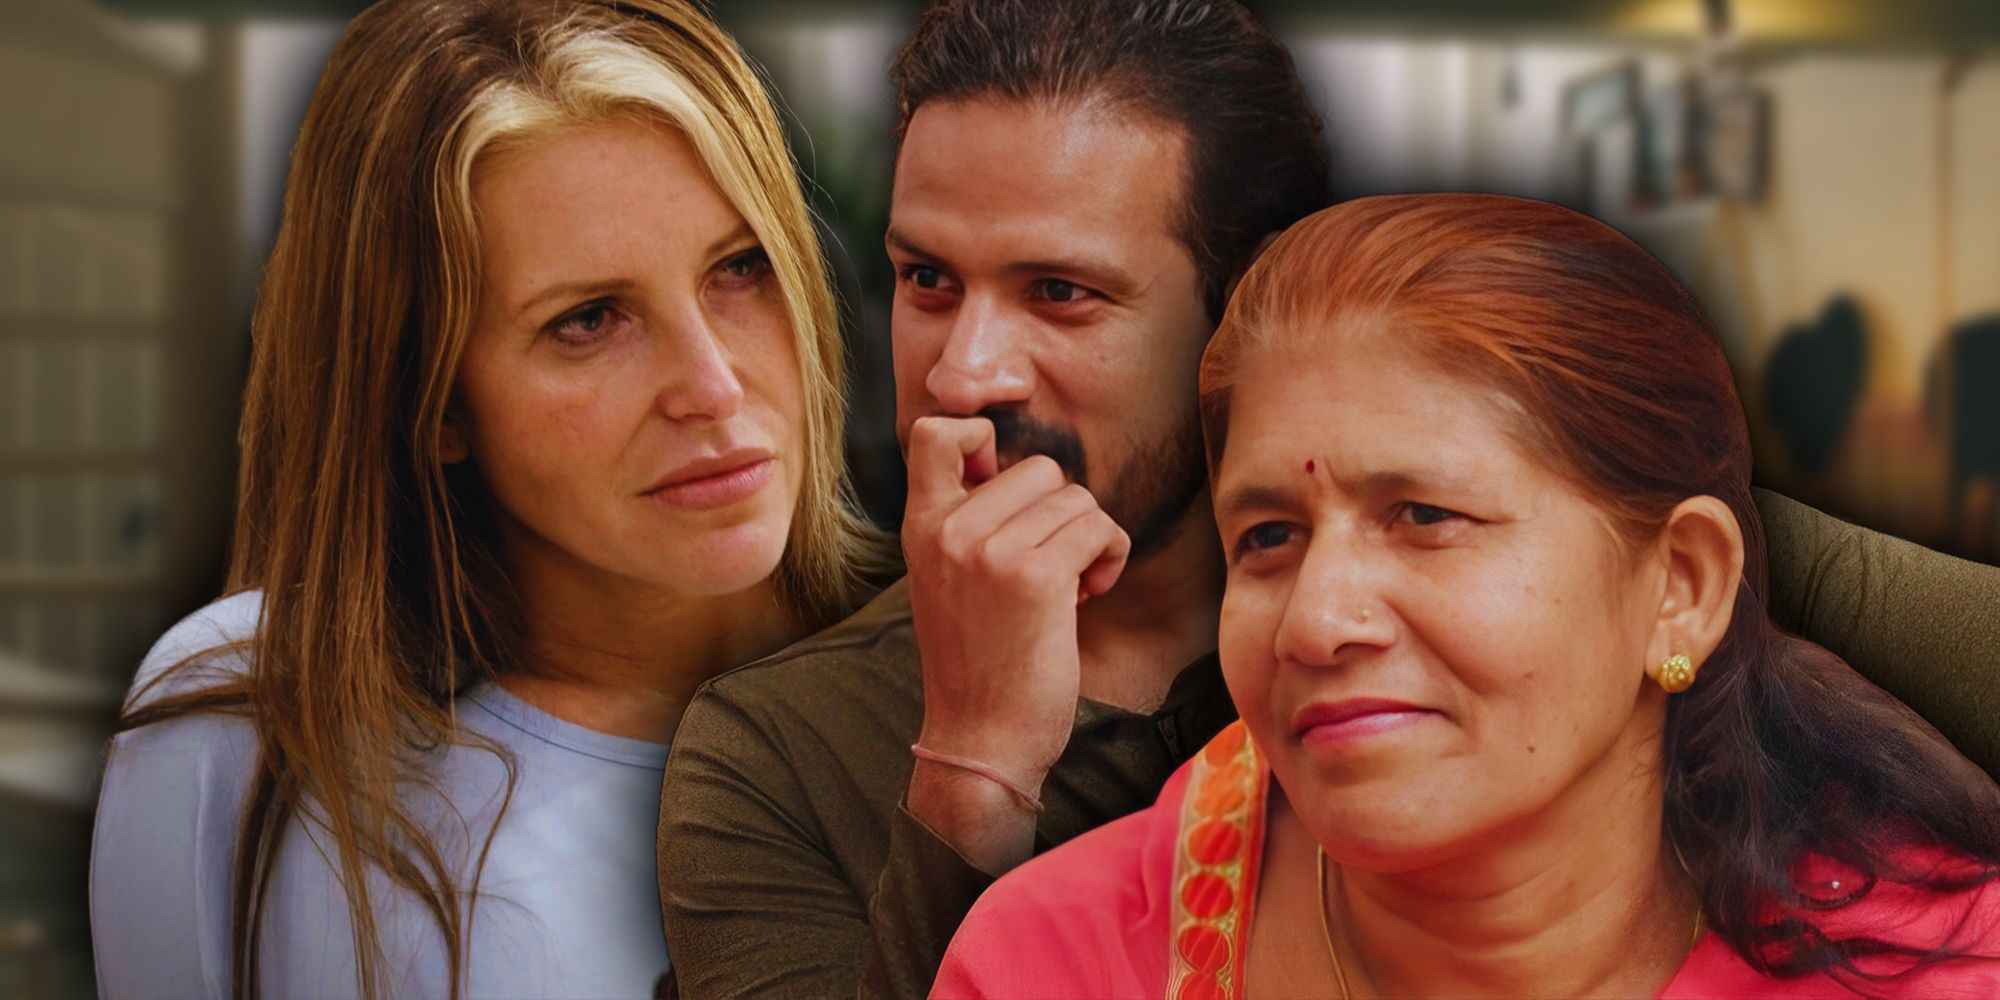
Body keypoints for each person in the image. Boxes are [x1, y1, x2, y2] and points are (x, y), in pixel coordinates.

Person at [656, 2, 2000, 996]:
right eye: (927, 280)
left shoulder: (1648, 548)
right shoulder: (789, 760)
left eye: (1061, 292)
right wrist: (974, 759)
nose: (964, 370)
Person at [933, 194, 2000, 999]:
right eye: (1267, 538)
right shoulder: (1052, 965)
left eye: (1422, 516)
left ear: (1678, 587)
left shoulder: (1940, 968)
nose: (1314, 620)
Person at [88, 1, 892, 996]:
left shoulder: (961, 703)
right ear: (428, 401)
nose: (713, 386)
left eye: (741, 268)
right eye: (588, 320)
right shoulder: (252, 719)